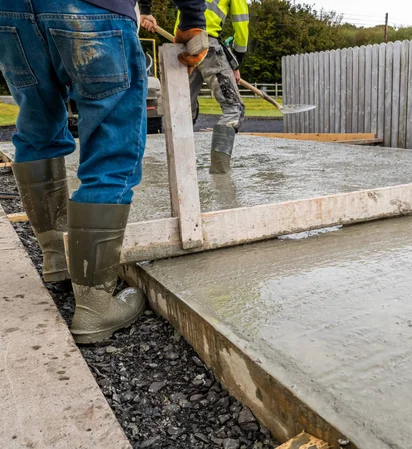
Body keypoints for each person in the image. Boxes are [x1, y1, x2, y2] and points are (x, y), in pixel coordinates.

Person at [0, 0, 206, 344]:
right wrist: (193, 19)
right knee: (113, 144)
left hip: (10, 11)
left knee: (36, 129)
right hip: (93, 9)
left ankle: (58, 258)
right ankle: (95, 306)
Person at [140, 0, 249, 173]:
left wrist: (145, 10)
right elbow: (241, 25)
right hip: (208, 45)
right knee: (234, 109)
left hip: (182, 44)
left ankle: (181, 170)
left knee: (183, 110)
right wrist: (237, 61)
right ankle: (220, 175)